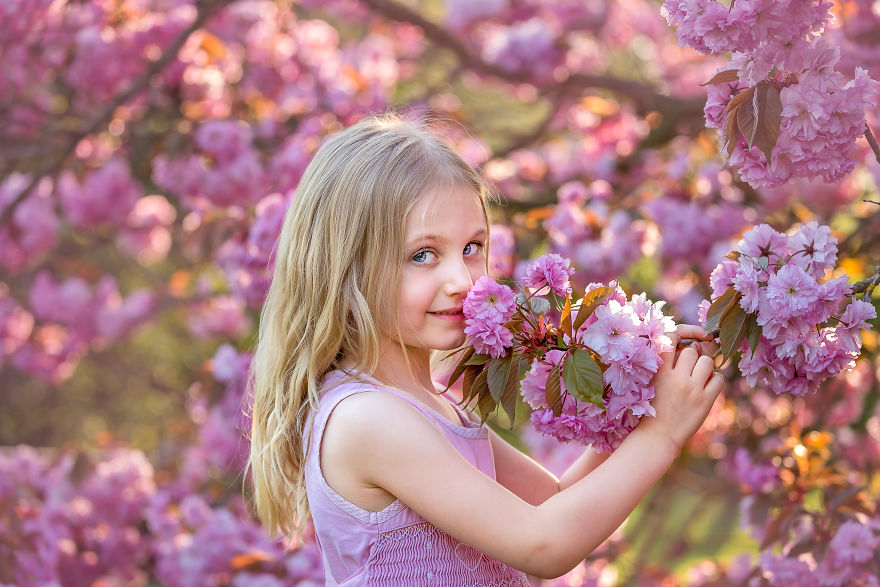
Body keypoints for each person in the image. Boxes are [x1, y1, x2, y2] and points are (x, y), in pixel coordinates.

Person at [248, 112, 724, 585]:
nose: (462, 280)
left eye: (472, 247)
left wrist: (644, 399)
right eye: (422, 255)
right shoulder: (367, 419)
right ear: (345, 265)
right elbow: (543, 544)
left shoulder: (434, 402)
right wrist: (661, 435)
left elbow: (550, 503)